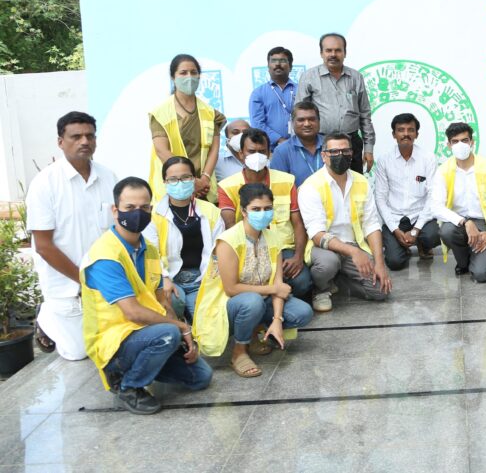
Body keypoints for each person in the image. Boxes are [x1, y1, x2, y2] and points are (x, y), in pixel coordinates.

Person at [80, 177, 212, 415]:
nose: (137, 213)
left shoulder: (148, 249)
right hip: (113, 341)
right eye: (129, 207)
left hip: (146, 333)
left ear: (151, 209)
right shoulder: (105, 255)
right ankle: (126, 386)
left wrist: (182, 338)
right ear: (115, 210)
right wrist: (180, 327)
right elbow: (132, 312)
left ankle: (148, 363)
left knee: (201, 376)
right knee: (168, 334)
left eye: (143, 207)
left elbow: (162, 300)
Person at [192, 183, 313, 378]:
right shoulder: (229, 240)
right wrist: (273, 289)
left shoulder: (273, 237)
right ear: (243, 211)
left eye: (267, 208)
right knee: (252, 301)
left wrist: (277, 320)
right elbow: (231, 289)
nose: (262, 213)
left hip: (261, 298)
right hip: (228, 304)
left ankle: (259, 330)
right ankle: (239, 351)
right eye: (256, 209)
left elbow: (278, 285)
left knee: (303, 312)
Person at [25, 111, 119, 360]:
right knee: (78, 353)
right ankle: (46, 316)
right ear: (60, 142)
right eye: (76, 137)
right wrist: (84, 279)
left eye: (90, 136)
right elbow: (44, 246)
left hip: (104, 281)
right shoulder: (44, 184)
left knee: (113, 342)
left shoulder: (108, 177)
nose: (84, 141)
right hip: (67, 286)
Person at [298, 132, 391, 311]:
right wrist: (354, 252)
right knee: (328, 264)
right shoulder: (311, 186)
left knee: (381, 291)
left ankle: (339, 282)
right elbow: (317, 234)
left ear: (352, 153)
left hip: (353, 244)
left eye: (345, 151)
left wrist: (380, 263)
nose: (340, 156)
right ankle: (321, 289)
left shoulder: (361, 181)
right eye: (334, 152)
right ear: (324, 156)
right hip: (323, 248)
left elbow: (371, 224)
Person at [217, 128, 311, 297]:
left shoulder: (287, 180)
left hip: (284, 247)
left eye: (262, 151)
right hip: (248, 250)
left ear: (269, 153)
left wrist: (298, 257)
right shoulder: (227, 186)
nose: (257, 156)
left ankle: (282, 300)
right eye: (251, 151)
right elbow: (230, 226)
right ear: (241, 154)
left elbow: (298, 223)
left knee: (302, 282)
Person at [152, 156, 224, 321]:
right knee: (173, 300)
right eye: (173, 179)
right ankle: (179, 327)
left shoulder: (211, 211)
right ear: (164, 182)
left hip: (201, 278)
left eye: (186, 177)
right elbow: (152, 252)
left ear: (194, 179)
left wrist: (211, 283)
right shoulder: (154, 214)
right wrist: (164, 278)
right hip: (170, 278)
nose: (180, 183)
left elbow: (218, 252)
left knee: (205, 318)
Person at [149, 54, 224, 203]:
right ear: (173, 77)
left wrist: (204, 179)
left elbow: (214, 150)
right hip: (173, 186)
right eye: (183, 73)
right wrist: (189, 180)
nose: (189, 77)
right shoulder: (160, 113)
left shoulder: (211, 113)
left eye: (193, 72)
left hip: (204, 188)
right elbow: (161, 150)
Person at [296, 33, 375, 173]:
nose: (333, 54)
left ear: (345, 53)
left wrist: (368, 148)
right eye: (328, 50)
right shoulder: (309, 77)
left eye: (338, 50)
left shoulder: (356, 77)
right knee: (323, 183)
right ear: (321, 53)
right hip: (321, 143)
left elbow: (365, 115)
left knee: (353, 182)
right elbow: (299, 115)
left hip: (351, 143)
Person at [431, 122, 486, 283]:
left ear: (472, 142)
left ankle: (477, 259)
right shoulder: (443, 171)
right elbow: (436, 207)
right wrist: (465, 222)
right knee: (447, 231)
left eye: (464, 140)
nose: (460, 145)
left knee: (481, 276)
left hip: (485, 223)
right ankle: (464, 262)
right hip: (459, 224)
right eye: (455, 141)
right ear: (449, 145)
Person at [374, 113, 441, 270]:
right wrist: (395, 230)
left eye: (410, 130)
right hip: (395, 218)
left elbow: (432, 196)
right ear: (394, 134)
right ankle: (402, 245)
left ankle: (423, 244)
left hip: (420, 216)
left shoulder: (428, 158)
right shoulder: (384, 160)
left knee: (433, 235)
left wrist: (416, 230)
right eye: (401, 130)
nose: (406, 134)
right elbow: (380, 198)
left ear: (416, 134)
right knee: (395, 263)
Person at [250, 46, 298, 151]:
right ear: (268, 67)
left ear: (290, 66)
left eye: (282, 61)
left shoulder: (301, 90)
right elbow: (257, 124)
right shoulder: (258, 93)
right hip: (271, 150)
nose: (278, 64)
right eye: (273, 61)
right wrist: (279, 140)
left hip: (300, 147)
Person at [270, 99, 324, 187]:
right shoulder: (281, 152)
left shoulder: (331, 146)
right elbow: (280, 188)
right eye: (301, 120)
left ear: (319, 121)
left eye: (311, 119)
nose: (307, 124)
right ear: (292, 123)